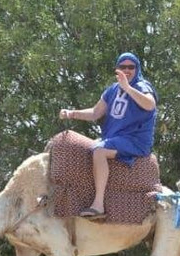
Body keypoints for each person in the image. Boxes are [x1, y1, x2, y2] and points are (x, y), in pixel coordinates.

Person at [58, 52, 157, 219]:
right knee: (88, 148)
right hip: (114, 139)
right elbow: (95, 113)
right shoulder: (112, 90)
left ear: (137, 69)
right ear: (117, 69)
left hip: (135, 140)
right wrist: (72, 113)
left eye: (131, 67)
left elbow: (150, 104)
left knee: (99, 151)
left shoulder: (141, 86)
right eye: (123, 67)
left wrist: (128, 88)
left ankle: (98, 205)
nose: (127, 70)